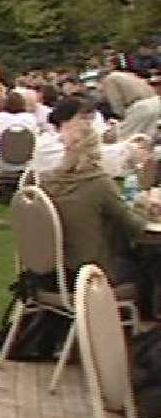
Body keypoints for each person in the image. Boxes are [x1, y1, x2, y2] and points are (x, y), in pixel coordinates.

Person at [40, 117, 145, 284]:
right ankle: (148, 309)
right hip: (92, 271)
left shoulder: (48, 183)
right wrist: (144, 209)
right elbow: (134, 226)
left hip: (55, 270)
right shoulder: (99, 183)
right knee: (150, 262)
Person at [100, 62, 160, 140]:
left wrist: (124, 117)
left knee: (126, 140)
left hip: (141, 107)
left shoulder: (109, 79)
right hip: (155, 102)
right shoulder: (129, 75)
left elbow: (116, 101)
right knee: (148, 139)